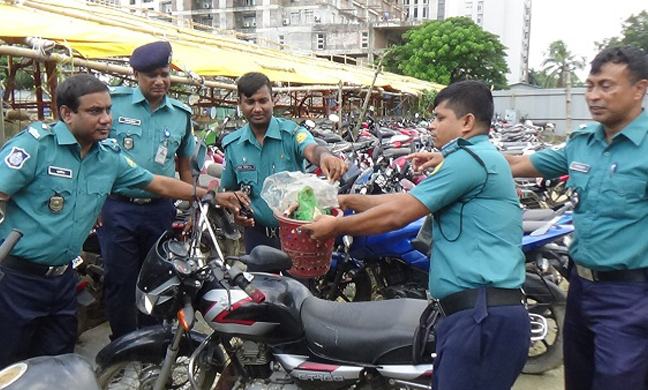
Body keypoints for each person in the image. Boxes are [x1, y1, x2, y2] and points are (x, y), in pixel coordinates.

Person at [0, 74, 244, 368]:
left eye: (107, 110)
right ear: (66, 113)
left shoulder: (108, 157)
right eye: (94, 111)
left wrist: (211, 196)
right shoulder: (37, 147)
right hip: (17, 281)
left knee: (55, 364)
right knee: (10, 364)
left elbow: (160, 184)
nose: (106, 119)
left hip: (63, 282)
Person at [303, 80, 530, 390]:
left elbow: (399, 214)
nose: (432, 125)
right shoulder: (473, 158)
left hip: (480, 317)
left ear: (467, 122)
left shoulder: (468, 161)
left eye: (439, 117)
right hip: (475, 314)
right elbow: (404, 201)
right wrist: (346, 201)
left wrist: (336, 226)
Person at [502, 46, 648, 390]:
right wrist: (454, 157)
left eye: (606, 86)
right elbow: (519, 165)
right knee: (577, 381)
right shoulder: (582, 143)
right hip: (580, 289)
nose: (594, 96)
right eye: (590, 85)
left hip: (630, 297)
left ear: (639, 89)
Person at [96, 41, 197, 339]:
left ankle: (151, 344)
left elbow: (185, 166)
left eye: (164, 74)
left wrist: (192, 207)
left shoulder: (181, 115)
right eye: (151, 75)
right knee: (120, 280)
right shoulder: (113, 104)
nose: (160, 81)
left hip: (160, 210)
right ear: (135, 74)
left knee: (157, 279)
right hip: (117, 208)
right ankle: (125, 347)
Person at [220, 72, 348, 253]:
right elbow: (229, 191)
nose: (257, 108)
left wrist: (325, 157)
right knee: (260, 282)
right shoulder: (233, 145)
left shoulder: (292, 133)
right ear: (240, 104)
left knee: (298, 282)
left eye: (263, 101)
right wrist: (236, 212)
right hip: (257, 238)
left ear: (273, 100)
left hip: (298, 235)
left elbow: (311, 149)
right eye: (250, 102)